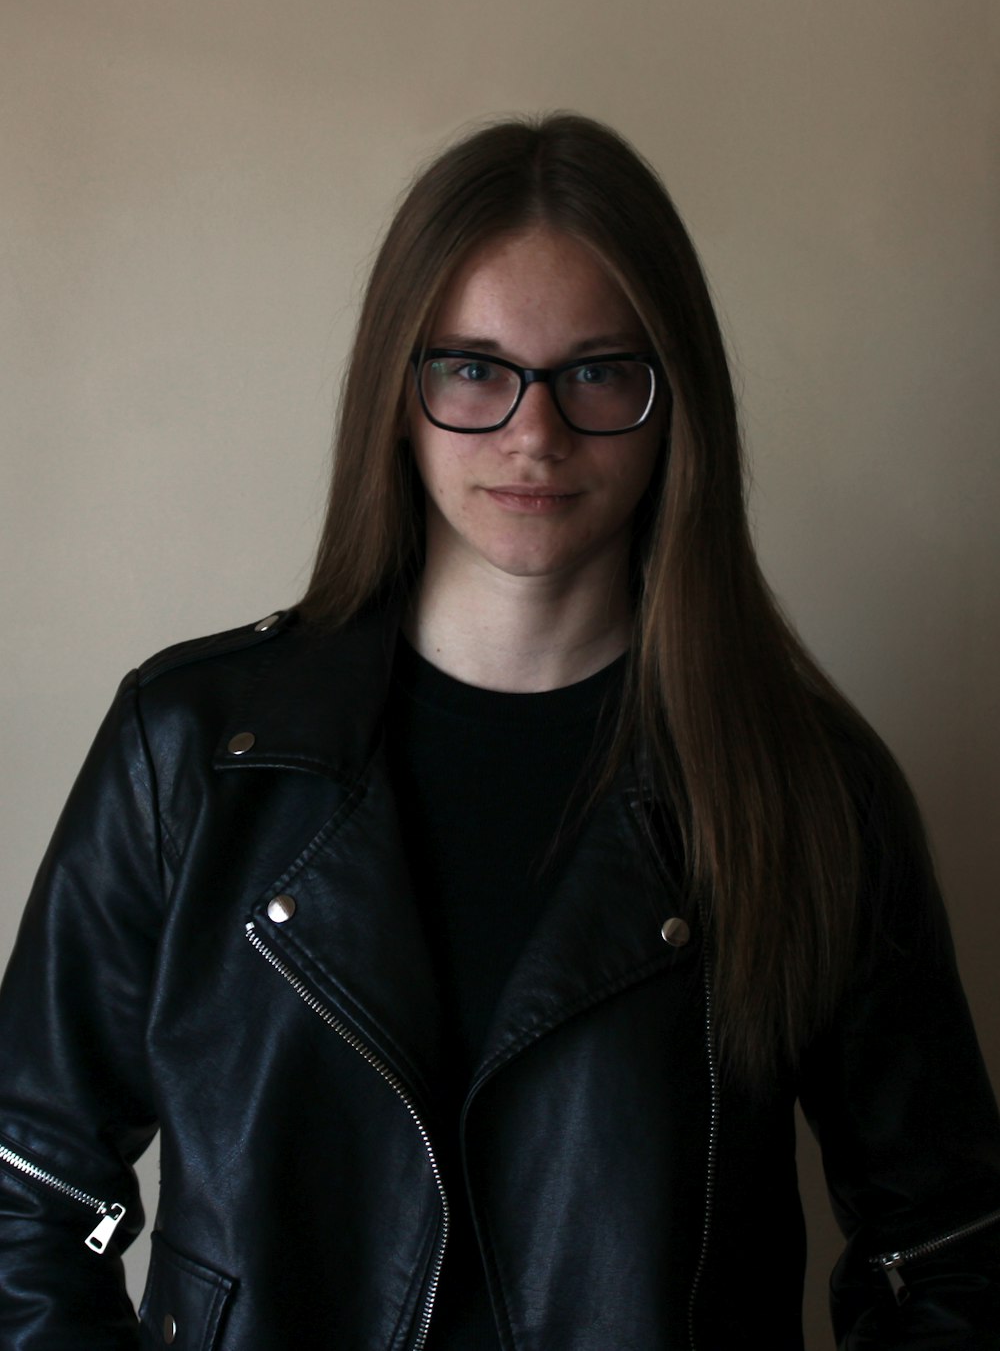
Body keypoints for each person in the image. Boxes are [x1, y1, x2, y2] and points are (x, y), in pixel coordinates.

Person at [0, 114, 998, 1351]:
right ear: (398, 394)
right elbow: (41, 1194)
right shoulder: (189, 751)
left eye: (596, 371)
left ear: (670, 397)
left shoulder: (803, 789)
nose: (535, 433)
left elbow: (947, 1246)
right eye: (473, 368)